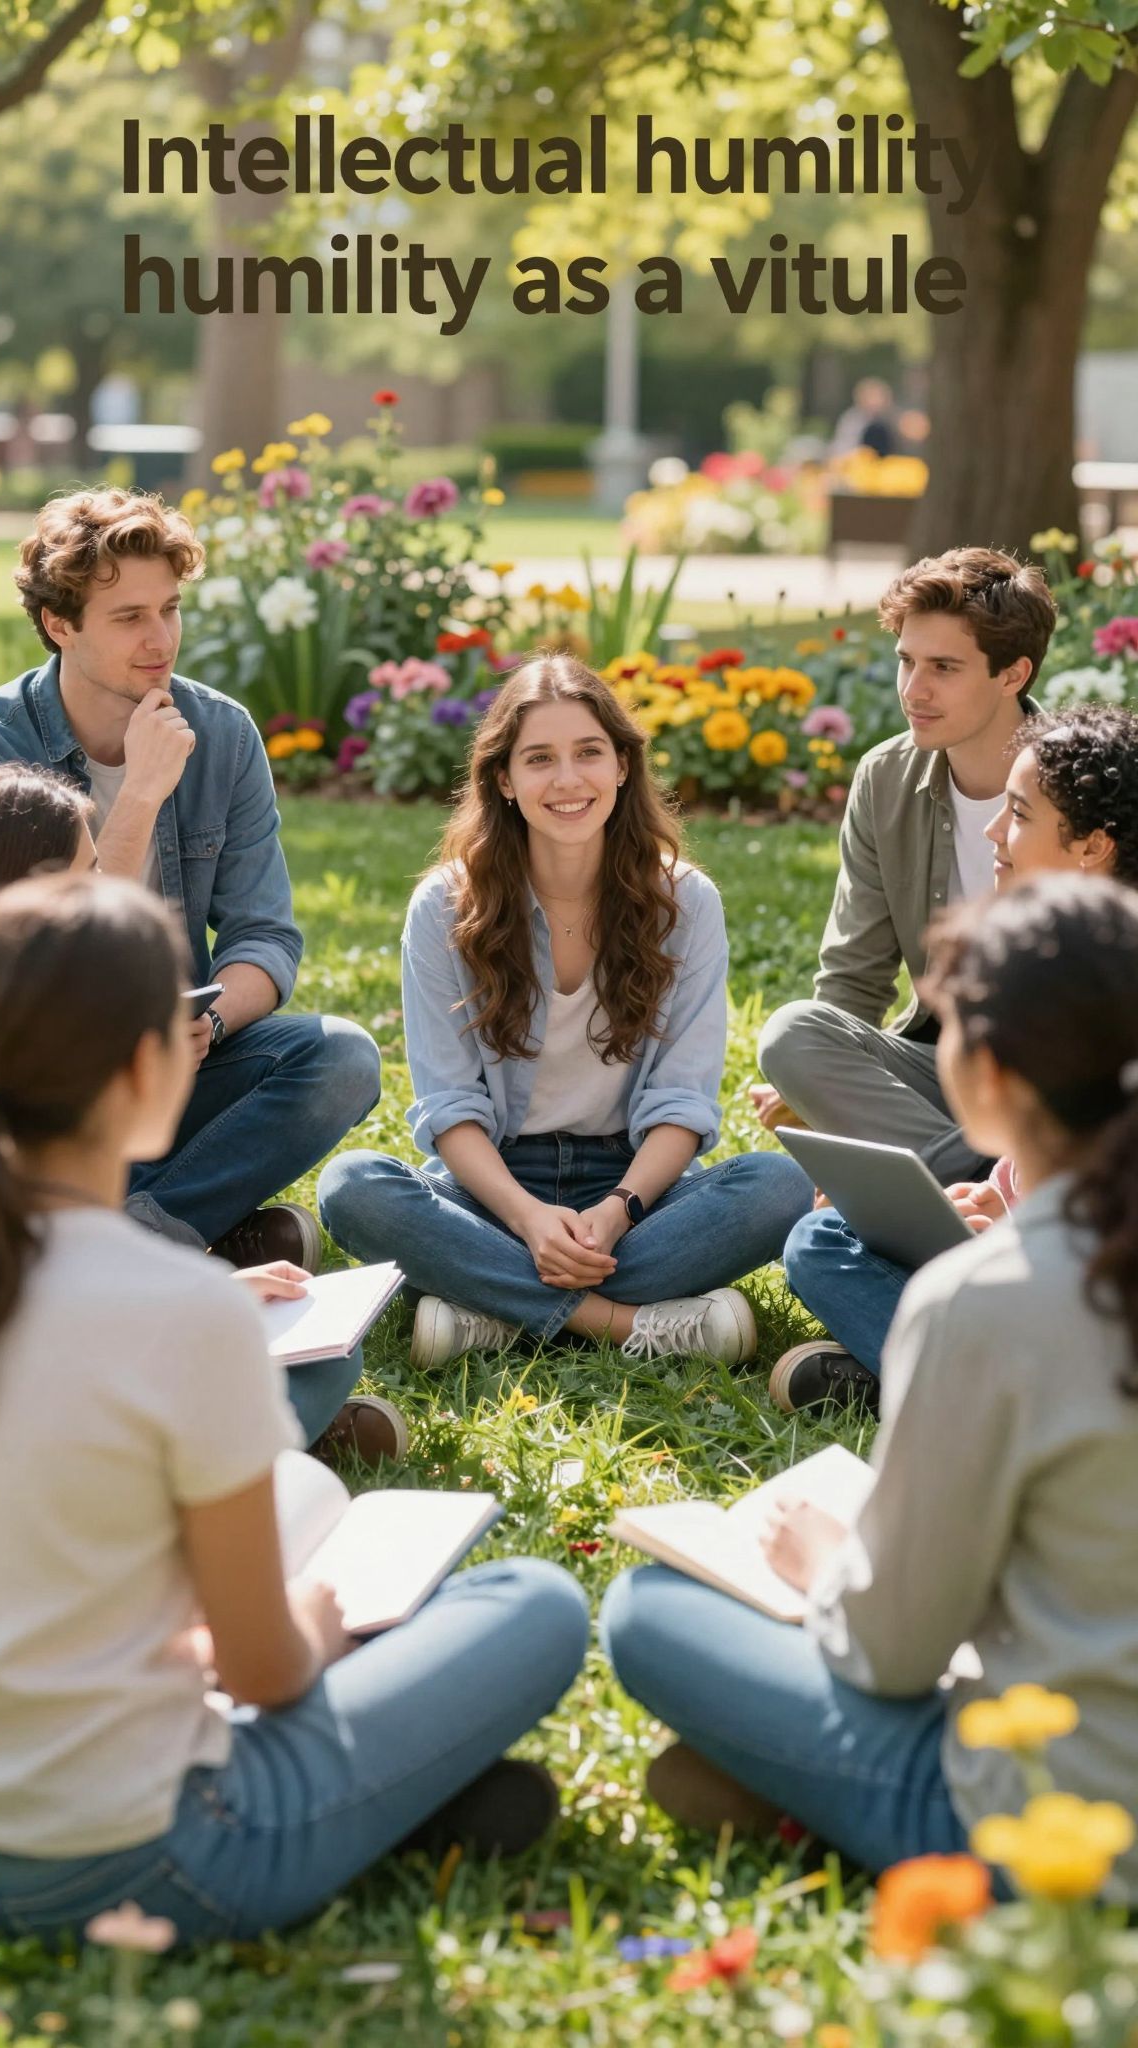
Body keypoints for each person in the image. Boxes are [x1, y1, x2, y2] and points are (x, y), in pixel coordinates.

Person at [0, 873, 589, 1944]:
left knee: (305, 1485)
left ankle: (407, 1801)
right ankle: (399, 1800)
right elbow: (263, 1669)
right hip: (150, 1847)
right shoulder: (177, 1307)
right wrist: (314, 1618)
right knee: (535, 1604)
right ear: (142, 1064)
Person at [603, 872, 1138, 1899]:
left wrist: (827, 1566)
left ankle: (809, 1802)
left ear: (983, 1075)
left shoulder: (986, 1297)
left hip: (1058, 1827)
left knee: (647, 1610)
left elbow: (891, 1652)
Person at [318, 655, 811, 1372]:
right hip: (491, 1186)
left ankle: (488, 1308)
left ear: (621, 766)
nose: (568, 780)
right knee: (353, 1187)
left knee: (779, 1187)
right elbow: (449, 1106)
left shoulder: (687, 903)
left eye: (588, 753)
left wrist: (614, 1214)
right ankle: (623, 1323)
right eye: (539, 759)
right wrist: (527, 1219)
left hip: (635, 1189)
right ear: (505, 782)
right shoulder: (445, 907)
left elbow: (682, 1099)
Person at [0, 487, 381, 1271]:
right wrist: (137, 797)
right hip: (28, 1079)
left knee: (341, 1058)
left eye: (169, 608)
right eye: (129, 617)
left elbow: (264, 937)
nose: (160, 638)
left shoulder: (223, 734)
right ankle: (181, 1238)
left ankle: (131, 1236)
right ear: (59, 625)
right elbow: (33, 957)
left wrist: (205, 1026)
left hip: (164, 1068)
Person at [0, 758, 404, 1466]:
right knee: (314, 1360)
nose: (102, 893)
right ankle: (266, 1446)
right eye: (86, 878)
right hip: (65, 1449)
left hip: (68, 1346)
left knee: (297, 1343)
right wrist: (190, 1305)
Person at [772, 704, 1138, 1413]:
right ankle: (959, 1374)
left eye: (1020, 815)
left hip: (1099, 1280)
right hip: (1044, 1252)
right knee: (824, 1237)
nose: (995, 833)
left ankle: (965, 1395)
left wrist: (1021, 1227)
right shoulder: (1047, 951)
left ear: (1092, 846)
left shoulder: (1113, 976)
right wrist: (996, 1196)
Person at [753, 547, 1056, 1186]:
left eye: (944, 667)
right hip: (946, 1072)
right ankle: (990, 1188)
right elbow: (853, 977)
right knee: (793, 1036)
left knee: (833, 1251)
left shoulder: (1086, 780)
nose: (913, 691)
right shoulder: (885, 777)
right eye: (906, 662)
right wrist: (823, 1099)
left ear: (1014, 673)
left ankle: (957, 1190)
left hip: (1067, 1081)